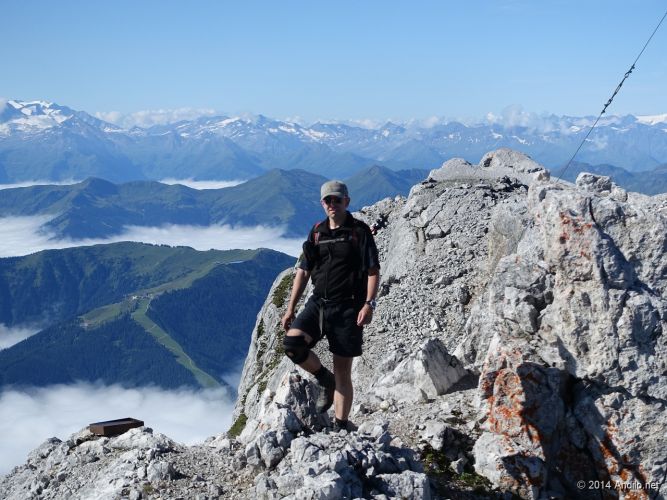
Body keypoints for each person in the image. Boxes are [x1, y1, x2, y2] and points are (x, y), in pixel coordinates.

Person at [281, 180, 380, 432]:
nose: (332, 204)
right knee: (292, 344)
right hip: (318, 304)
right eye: (328, 200)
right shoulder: (317, 232)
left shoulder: (359, 232)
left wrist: (369, 304)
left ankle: (341, 426)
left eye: (337, 199)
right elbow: (303, 271)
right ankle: (325, 379)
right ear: (322, 203)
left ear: (347, 201)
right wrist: (291, 308)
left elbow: (372, 270)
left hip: (348, 308)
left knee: (343, 371)